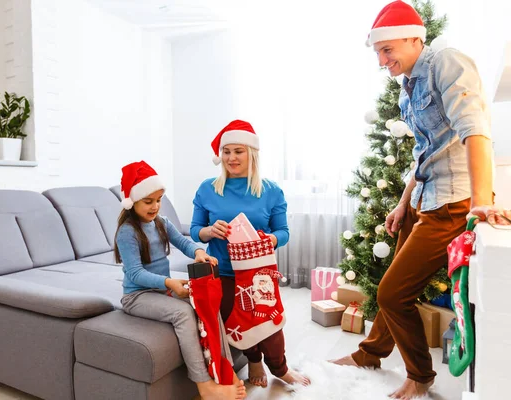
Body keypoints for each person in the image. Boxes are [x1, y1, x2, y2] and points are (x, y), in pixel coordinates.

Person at [330, 1, 511, 399]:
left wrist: (481, 204)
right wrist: (402, 202)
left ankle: (420, 376)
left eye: (388, 50)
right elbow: (423, 152)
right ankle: (371, 353)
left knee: (392, 293)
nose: (381, 60)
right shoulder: (408, 83)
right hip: (424, 197)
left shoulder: (447, 63)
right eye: (377, 52)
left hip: (453, 203)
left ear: (415, 38)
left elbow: (475, 130)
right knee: (393, 277)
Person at [190, 119, 311, 387]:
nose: (231, 158)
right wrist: (209, 231)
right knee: (238, 323)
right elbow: (195, 229)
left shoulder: (270, 190)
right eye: (226, 151)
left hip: (259, 273)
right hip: (221, 272)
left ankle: (280, 368)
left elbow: (284, 233)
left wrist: (269, 239)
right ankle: (254, 361)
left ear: (251, 153)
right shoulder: (207, 188)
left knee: (270, 323)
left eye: (238, 151)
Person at [115, 160, 246, 400]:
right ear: (133, 201)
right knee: (184, 313)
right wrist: (169, 283)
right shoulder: (127, 232)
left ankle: (226, 371)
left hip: (161, 291)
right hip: (137, 296)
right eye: (148, 201)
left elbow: (184, 241)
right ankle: (205, 387)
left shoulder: (161, 223)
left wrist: (199, 252)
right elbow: (134, 274)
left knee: (208, 303)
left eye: (159, 200)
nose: (155, 206)